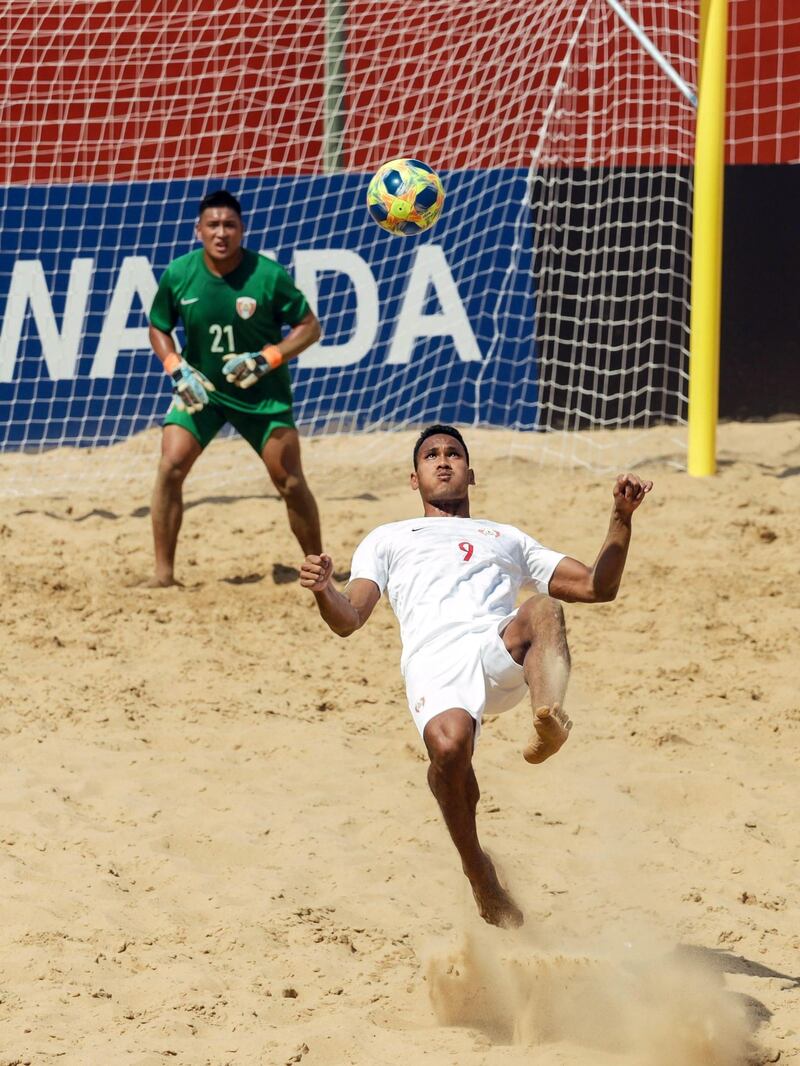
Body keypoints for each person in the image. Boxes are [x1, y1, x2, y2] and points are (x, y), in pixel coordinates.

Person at [300, 424, 652, 928]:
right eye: (431, 456)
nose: (443, 461)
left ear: (471, 472)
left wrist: (621, 519)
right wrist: (323, 591)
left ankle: (548, 718)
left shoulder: (505, 537)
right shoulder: (388, 538)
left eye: (453, 454)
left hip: (498, 649)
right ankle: (480, 874)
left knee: (544, 608)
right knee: (449, 751)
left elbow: (599, 587)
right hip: (434, 663)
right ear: (414, 478)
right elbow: (349, 619)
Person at [146, 189, 323, 586]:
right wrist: (176, 368)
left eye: (229, 225)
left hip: (261, 395)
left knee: (290, 482)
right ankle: (163, 576)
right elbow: (158, 326)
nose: (221, 233)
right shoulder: (179, 274)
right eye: (213, 225)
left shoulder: (268, 275)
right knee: (170, 466)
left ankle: (317, 569)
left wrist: (267, 359)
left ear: (242, 230)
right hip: (201, 391)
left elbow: (310, 327)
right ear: (198, 230)